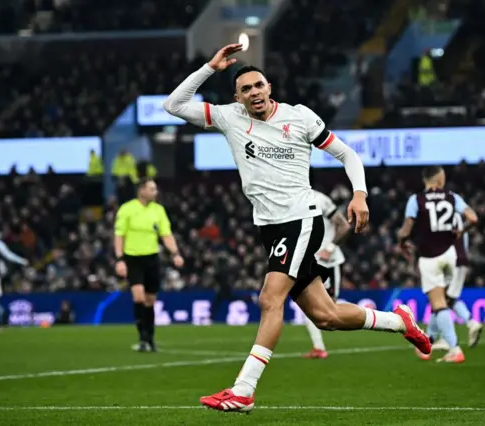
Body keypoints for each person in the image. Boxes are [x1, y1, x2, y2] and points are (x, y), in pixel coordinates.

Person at [163, 43, 431, 413]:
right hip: (268, 227)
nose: (254, 92)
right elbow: (173, 105)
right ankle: (399, 322)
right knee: (327, 316)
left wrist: (359, 195)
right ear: (237, 98)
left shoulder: (300, 117)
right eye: (246, 89)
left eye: (259, 85)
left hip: (300, 219)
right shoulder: (229, 118)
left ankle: (243, 390)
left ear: (269, 87)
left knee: (270, 300)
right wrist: (210, 67)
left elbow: (347, 154)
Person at [397, 166, 478, 363]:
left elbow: (405, 230)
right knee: (444, 300)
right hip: (450, 254)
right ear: (440, 180)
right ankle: (429, 342)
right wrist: (462, 230)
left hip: (429, 257)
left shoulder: (416, 200)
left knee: (438, 303)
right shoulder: (452, 197)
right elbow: (473, 218)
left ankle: (454, 348)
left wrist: (402, 243)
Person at [114, 177, 184, 352]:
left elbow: (166, 234)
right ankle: (143, 338)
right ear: (142, 190)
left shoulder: (158, 210)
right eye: (152, 189)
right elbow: (119, 235)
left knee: (150, 300)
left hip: (152, 258)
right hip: (133, 258)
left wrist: (175, 253)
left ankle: (150, 338)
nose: (155, 192)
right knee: (138, 296)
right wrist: (120, 259)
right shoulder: (127, 209)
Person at [302, 189, 352, 359]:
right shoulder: (291, 199)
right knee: (308, 304)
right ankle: (318, 347)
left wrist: (329, 248)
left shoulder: (320, 199)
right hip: (310, 260)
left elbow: (344, 225)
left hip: (328, 261)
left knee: (331, 309)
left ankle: (375, 321)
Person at [431, 210, 484, 351]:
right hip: (462, 260)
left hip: (449, 261)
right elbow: (464, 242)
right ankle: (467, 324)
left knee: (441, 300)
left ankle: (467, 325)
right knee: (449, 299)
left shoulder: (439, 217)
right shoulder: (459, 218)